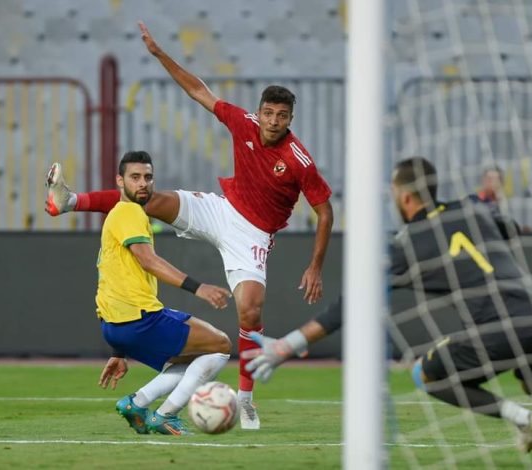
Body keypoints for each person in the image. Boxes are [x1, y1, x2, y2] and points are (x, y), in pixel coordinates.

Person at [244, 157, 532, 467]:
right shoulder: (473, 209)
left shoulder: (408, 243)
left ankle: (519, 418)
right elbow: (507, 228)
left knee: (426, 374)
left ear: (403, 198)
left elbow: (354, 303)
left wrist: (288, 345)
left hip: (500, 324)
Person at [45, 21, 334, 430]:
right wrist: (161, 55)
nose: (271, 121)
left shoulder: (299, 160)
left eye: (281, 116)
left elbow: (324, 210)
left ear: (290, 119)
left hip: (252, 234)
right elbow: (199, 91)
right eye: (268, 113)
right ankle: (69, 200)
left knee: (250, 311)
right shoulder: (244, 123)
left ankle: (246, 400)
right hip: (221, 209)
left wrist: (315, 265)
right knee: (146, 198)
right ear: (261, 110)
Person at [93, 150, 233, 436]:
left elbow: (113, 274)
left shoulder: (120, 215)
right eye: (135, 177)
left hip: (116, 324)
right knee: (220, 345)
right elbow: (148, 260)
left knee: (193, 356)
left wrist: (119, 349)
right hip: (139, 318)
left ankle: (138, 403)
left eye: (148, 177)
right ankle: (165, 415)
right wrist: (199, 288)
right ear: (119, 181)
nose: (143, 183)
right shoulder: (129, 211)